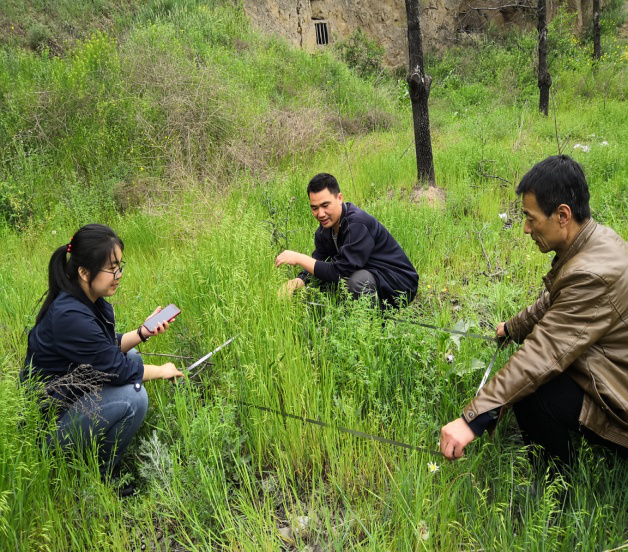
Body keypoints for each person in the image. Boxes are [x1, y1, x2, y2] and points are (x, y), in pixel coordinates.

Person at [439, 155, 627, 470]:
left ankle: (557, 490)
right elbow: (556, 300)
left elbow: (543, 354)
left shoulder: (591, 274)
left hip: (620, 397)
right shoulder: (595, 240)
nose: (526, 228)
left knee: (532, 390)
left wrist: (472, 419)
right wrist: (512, 327)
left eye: (531, 217)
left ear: (563, 215)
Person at [22, 224, 184, 489]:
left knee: (133, 357)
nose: (118, 275)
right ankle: (103, 475)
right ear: (84, 272)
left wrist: (143, 332)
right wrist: (163, 370)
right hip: (48, 427)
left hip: (69, 396)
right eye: (112, 268)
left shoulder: (87, 300)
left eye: (120, 265)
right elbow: (115, 368)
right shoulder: (70, 315)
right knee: (134, 396)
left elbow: (104, 349)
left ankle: (97, 454)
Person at [276, 173, 418, 308]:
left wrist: (298, 258)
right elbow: (320, 261)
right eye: (314, 208)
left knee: (357, 281)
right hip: (375, 277)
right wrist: (298, 281)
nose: (320, 214)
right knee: (321, 284)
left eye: (325, 206)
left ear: (339, 198)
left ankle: (371, 326)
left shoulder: (357, 224)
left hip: (399, 284)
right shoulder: (324, 231)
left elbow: (340, 272)